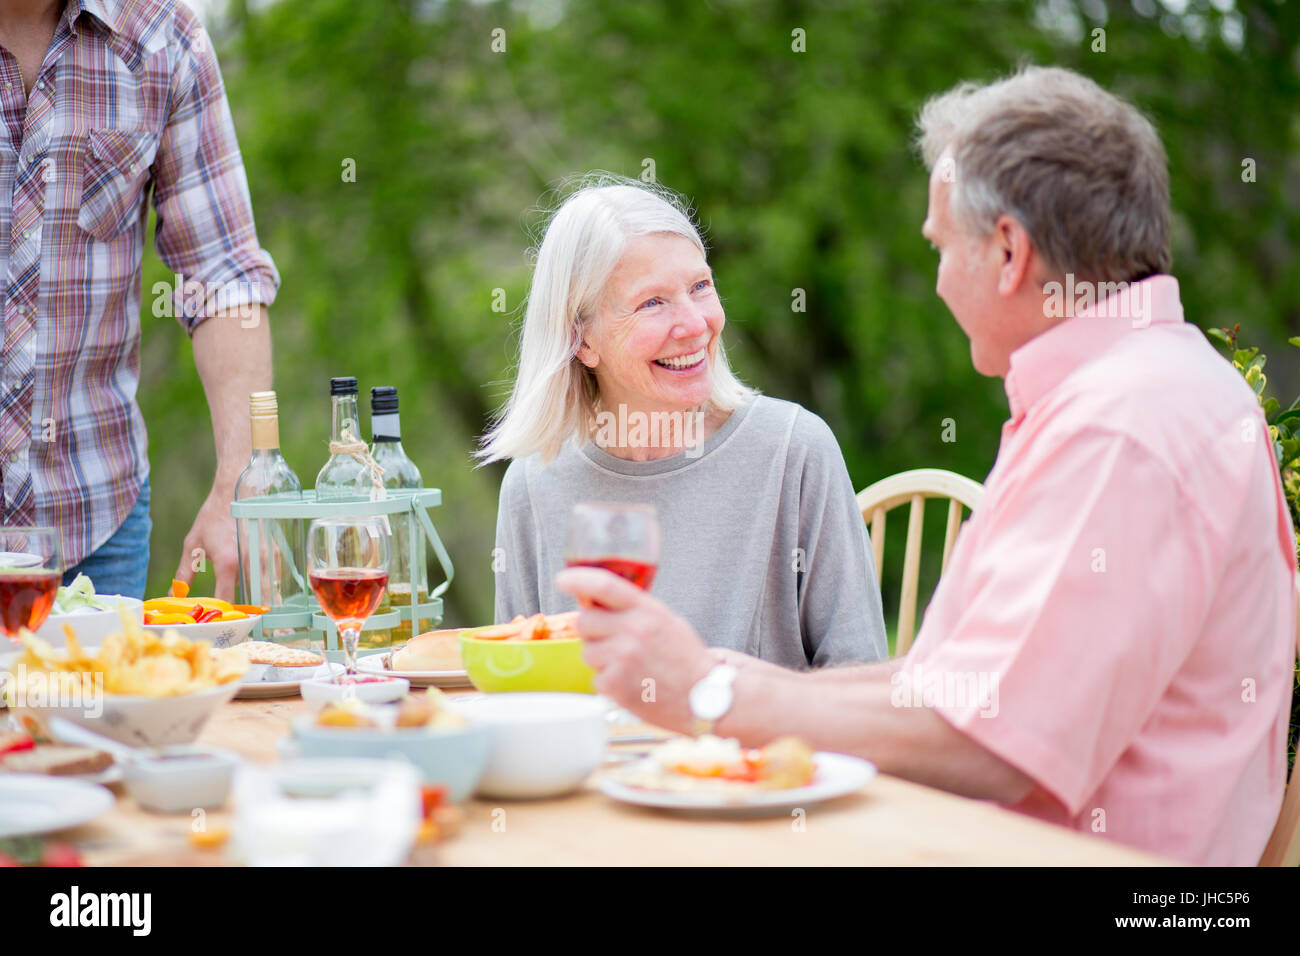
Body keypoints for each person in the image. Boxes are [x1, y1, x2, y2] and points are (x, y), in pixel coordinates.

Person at [555, 67, 1297, 865]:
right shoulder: (1136, 389)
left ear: (1008, 251)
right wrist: (720, 673)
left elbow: (988, 742)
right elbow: (951, 685)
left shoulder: (1123, 428)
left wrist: (710, 692)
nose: (939, 279)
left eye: (943, 247)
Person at [479, 174, 887, 668]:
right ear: (582, 340)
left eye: (700, 287)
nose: (695, 324)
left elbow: (859, 675)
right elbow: (519, 685)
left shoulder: (794, 450)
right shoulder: (533, 483)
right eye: (653, 302)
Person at [0, 0, 278, 599]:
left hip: (95, 529)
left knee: (100, 697)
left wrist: (240, 479)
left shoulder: (161, 36)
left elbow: (222, 275)